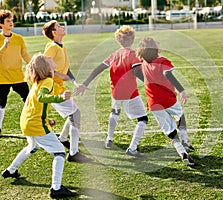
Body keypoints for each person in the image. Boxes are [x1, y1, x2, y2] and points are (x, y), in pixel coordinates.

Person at [1, 53, 78, 199]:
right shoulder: (48, 81)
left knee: (32, 147)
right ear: (46, 66)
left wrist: (48, 120)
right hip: (35, 125)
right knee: (60, 152)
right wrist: (60, 98)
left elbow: (35, 106)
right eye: (48, 59)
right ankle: (56, 188)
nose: (51, 59)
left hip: (27, 122)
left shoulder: (41, 82)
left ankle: (11, 170)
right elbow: (42, 98)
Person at [74, 25, 148, 157]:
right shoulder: (133, 55)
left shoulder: (114, 55)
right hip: (130, 93)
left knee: (115, 113)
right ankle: (132, 148)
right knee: (143, 119)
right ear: (132, 39)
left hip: (116, 93)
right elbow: (137, 72)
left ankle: (109, 139)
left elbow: (98, 69)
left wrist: (85, 83)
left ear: (119, 40)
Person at [135, 37, 195, 166]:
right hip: (168, 99)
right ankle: (185, 140)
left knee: (169, 131)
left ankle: (182, 152)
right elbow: (168, 75)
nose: (159, 43)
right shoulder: (162, 61)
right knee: (180, 115)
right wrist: (182, 91)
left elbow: (135, 71)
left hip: (153, 103)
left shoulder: (144, 63)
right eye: (157, 42)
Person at [42, 20, 91, 163]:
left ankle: (63, 138)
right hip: (52, 89)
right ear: (54, 32)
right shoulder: (52, 47)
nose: (62, 27)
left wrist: (76, 82)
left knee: (73, 113)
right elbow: (44, 67)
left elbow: (66, 69)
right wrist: (59, 75)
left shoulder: (62, 47)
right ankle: (74, 153)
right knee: (75, 114)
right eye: (58, 26)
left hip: (60, 88)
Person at [0, 10, 31, 134]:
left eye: (11, 20)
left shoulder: (19, 39)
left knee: (28, 99)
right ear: (1, 24)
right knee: (1, 104)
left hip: (18, 76)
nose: (11, 23)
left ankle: (32, 123)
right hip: (2, 78)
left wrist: (35, 66)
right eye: (8, 21)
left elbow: (25, 56)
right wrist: (4, 47)